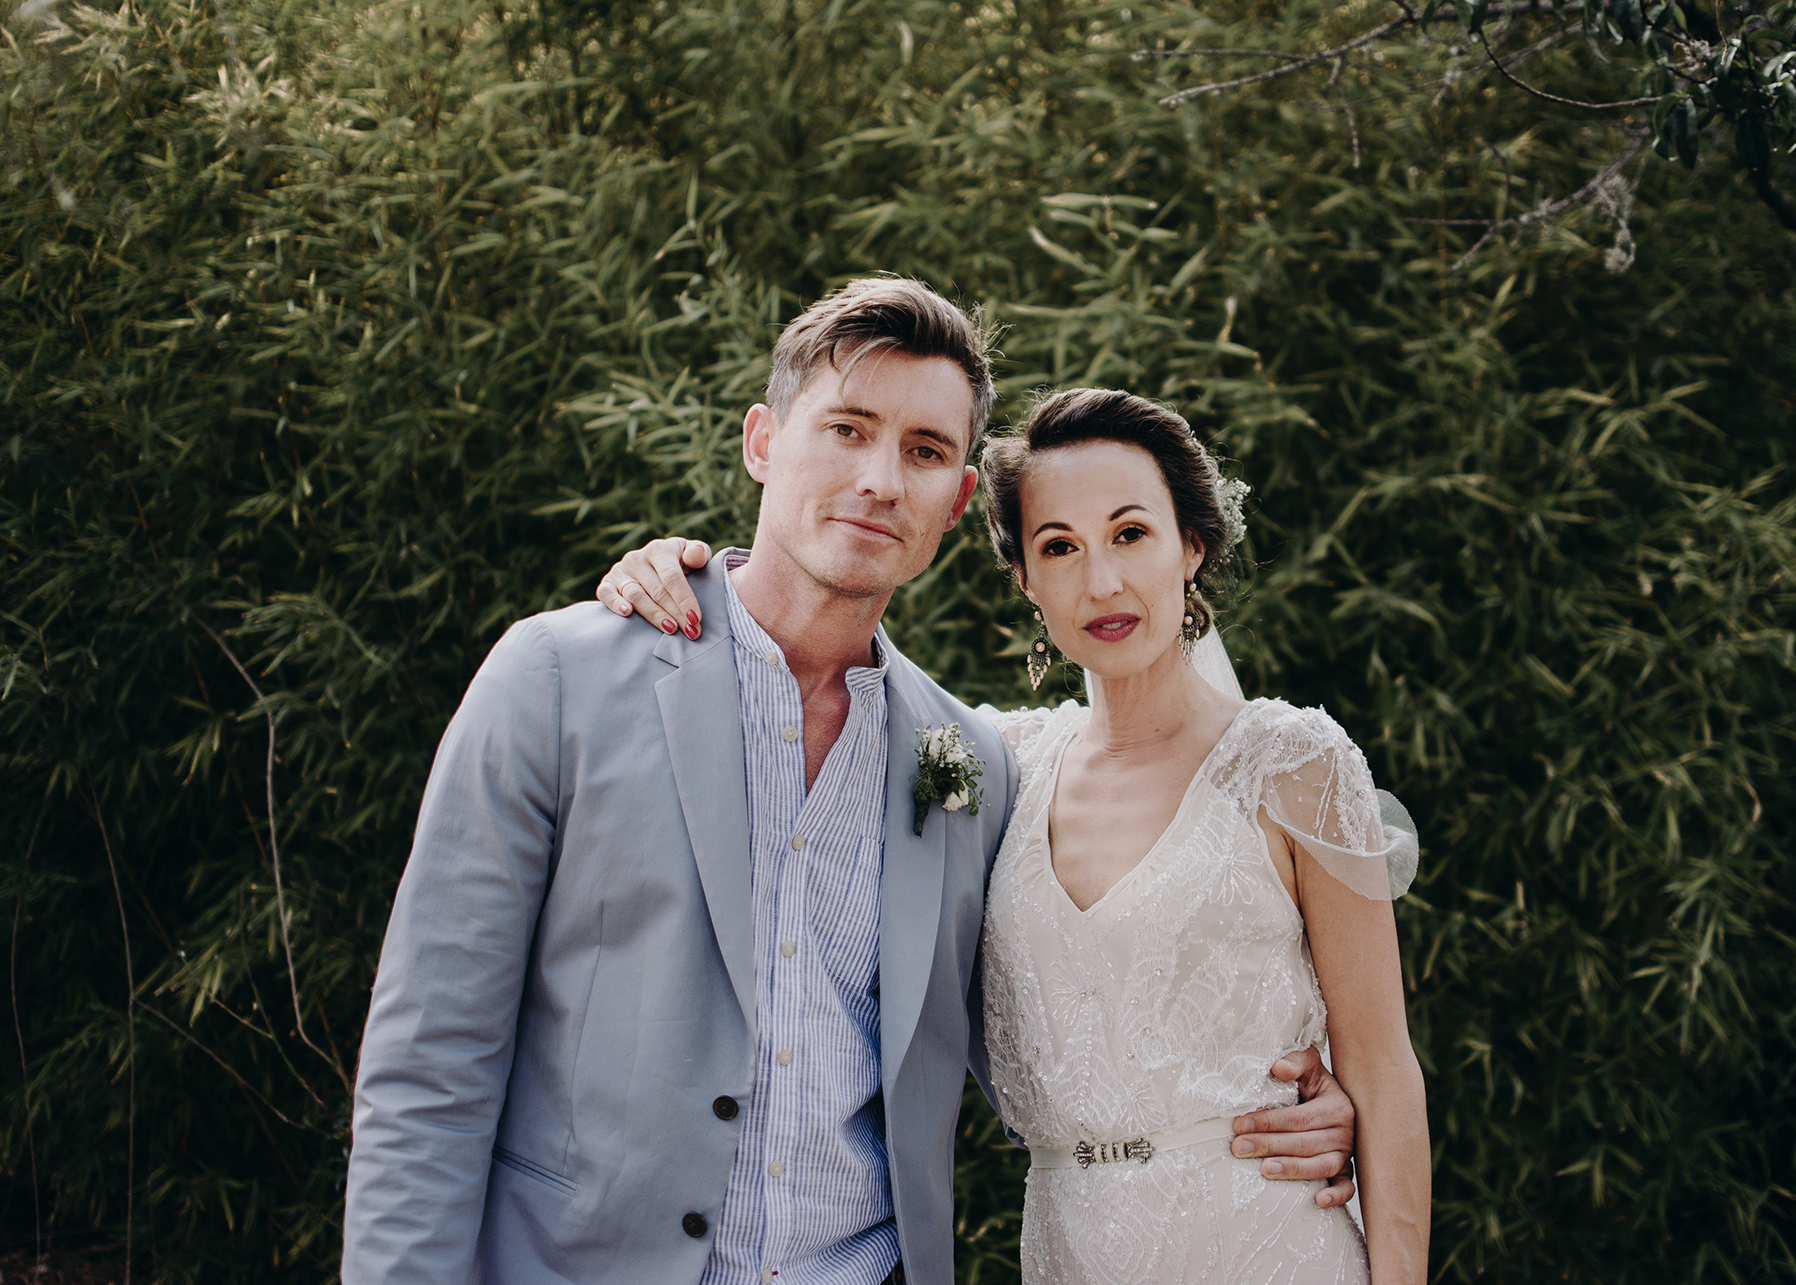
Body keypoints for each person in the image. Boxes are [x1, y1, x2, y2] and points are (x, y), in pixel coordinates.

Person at [343, 278, 1361, 1285]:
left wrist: (1266, 1110)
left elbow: (1062, 1015)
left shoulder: (973, 766)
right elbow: (430, 1063)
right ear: (762, 441)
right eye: (847, 429)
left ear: (959, 500)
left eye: (923, 452)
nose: (881, 478)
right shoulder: (559, 678)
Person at [600, 389, 1430, 1282]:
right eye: (1059, 547)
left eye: (1130, 534)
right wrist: (668, 572)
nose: (1100, 581)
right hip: (1068, 1248)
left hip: (1267, 1240)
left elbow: (1381, 1067)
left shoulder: (1290, 762)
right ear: (1026, 579)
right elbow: (801, 694)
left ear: (1191, 545)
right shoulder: (992, 765)